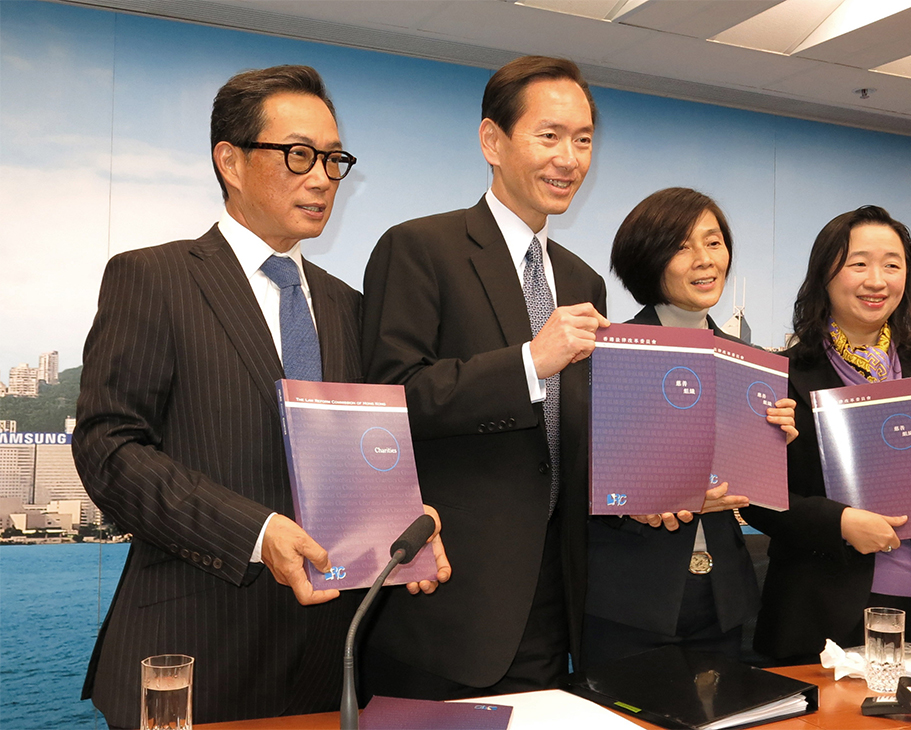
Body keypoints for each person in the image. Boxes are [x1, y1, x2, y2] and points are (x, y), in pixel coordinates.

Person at [73, 65, 448, 728]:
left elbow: (365, 455)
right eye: (299, 154)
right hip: (191, 649)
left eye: (333, 159)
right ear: (231, 161)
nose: (322, 176)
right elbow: (109, 449)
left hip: (326, 662)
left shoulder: (351, 308)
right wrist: (256, 533)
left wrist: (402, 523)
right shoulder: (152, 278)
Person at [359, 55, 609, 700]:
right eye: (549, 136)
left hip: (556, 596)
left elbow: (577, 432)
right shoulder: (420, 248)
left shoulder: (583, 280)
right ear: (492, 141)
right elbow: (394, 399)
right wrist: (530, 362)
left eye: (583, 140)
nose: (570, 158)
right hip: (445, 599)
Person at [743, 205, 911, 665]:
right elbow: (760, 499)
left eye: (892, 265)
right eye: (858, 263)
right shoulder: (781, 374)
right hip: (819, 612)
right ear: (824, 273)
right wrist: (839, 523)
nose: (877, 280)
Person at [584, 187, 797, 666]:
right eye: (682, 246)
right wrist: (655, 494)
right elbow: (576, 475)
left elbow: (761, 496)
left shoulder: (753, 366)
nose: (705, 260)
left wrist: (774, 444)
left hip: (722, 601)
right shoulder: (611, 353)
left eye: (714, 242)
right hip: (630, 601)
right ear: (648, 259)